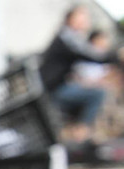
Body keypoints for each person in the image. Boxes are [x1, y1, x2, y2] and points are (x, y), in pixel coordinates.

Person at [40, 5, 124, 142]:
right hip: (53, 89)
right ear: (71, 18)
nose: (86, 21)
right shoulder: (68, 38)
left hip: (54, 86)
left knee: (94, 92)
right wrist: (117, 56)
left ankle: (77, 132)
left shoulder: (68, 37)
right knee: (98, 94)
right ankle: (80, 133)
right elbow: (93, 56)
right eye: (82, 17)